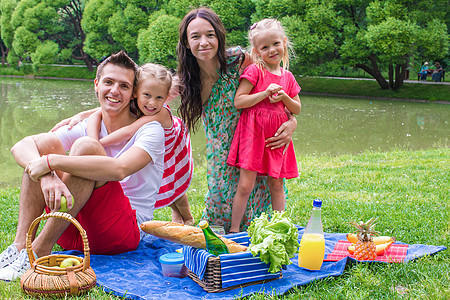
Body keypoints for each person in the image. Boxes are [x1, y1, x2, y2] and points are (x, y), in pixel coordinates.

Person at [0, 51, 165, 281]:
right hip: (71, 226)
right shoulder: (87, 123)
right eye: (108, 82)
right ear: (96, 85)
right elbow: (21, 146)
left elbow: (120, 169)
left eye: (124, 86)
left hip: (121, 234)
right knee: (45, 144)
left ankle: (38, 251)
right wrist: (47, 175)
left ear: (133, 94)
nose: (114, 91)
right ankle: (19, 247)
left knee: (85, 148)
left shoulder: (151, 130)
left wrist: (50, 162)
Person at [177, 7, 298, 232]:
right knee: (219, 209)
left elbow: (275, 86)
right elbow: (146, 99)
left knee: (261, 200)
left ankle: (266, 237)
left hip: (256, 145)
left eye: (210, 34)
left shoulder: (239, 60)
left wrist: (292, 122)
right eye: (195, 36)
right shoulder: (186, 80)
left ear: (219, 36)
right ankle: (229, 242)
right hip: (222, 153)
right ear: (186, 42)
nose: (204, 42)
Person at [87, 63, 194, 225]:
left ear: (165, 98)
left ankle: (187, 217)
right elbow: (98, 111)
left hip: (171, 146)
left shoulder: (160, 113)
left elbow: (129, 131)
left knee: (174, 180)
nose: (152, 103)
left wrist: (98, 145)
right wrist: (73, 120)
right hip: (154, 146)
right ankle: (177, 214)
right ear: (135, 93)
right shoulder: (137, 105)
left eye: (159, 98)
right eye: (147, 96)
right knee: (161, 180)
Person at [226, 19, 301, 233]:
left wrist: (285, 96)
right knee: (245, 185)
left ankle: (280, 228)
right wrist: (264, 94)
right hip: (253, 136)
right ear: (257, 51)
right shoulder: (255, 72)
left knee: (276, 184)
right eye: (265, 47)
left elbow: (296, 109)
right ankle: (234, 229)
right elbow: (239, 101)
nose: (272, 50)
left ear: (284, 42)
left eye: (276, 44)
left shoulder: (288, 77)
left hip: (276, 139)